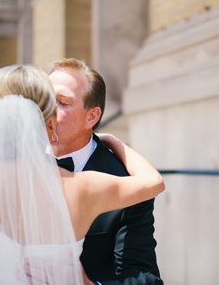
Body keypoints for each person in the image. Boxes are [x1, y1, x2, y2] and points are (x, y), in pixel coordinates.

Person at [0, 65, 164, 285]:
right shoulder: (86, 187)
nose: (54, 108)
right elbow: (153, 181)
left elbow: (146, 278)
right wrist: (116, 141)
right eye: (50, 102)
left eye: (62, 102)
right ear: (48, 122)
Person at [49, 58, 162, 284]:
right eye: (45, 99)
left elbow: (144, 277)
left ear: (92, 116)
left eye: (62, 102)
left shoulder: (125, 182)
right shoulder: (13, 166)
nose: (47, 110)